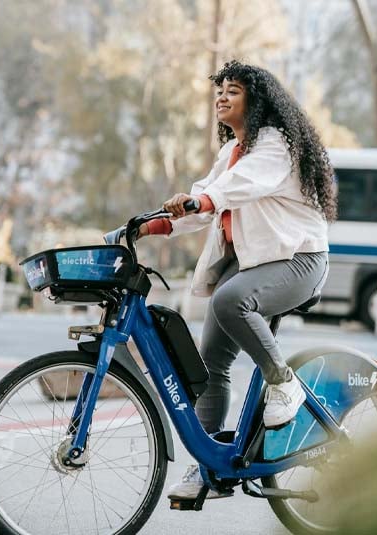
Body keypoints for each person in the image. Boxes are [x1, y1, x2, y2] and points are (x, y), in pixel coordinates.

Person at [138, 60, 336, 500]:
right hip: (251, 263)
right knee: (211, 368)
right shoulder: (230, 153)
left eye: (233, 90)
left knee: (231, 301)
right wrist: (152, 226)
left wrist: (202, 198)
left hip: (298, 259)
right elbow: (204, 203)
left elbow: (237, 188)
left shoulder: (275, 146)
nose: (221, 97)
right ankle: (209, 467)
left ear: (256, 100)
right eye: (219, 90)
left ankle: (283, 383)